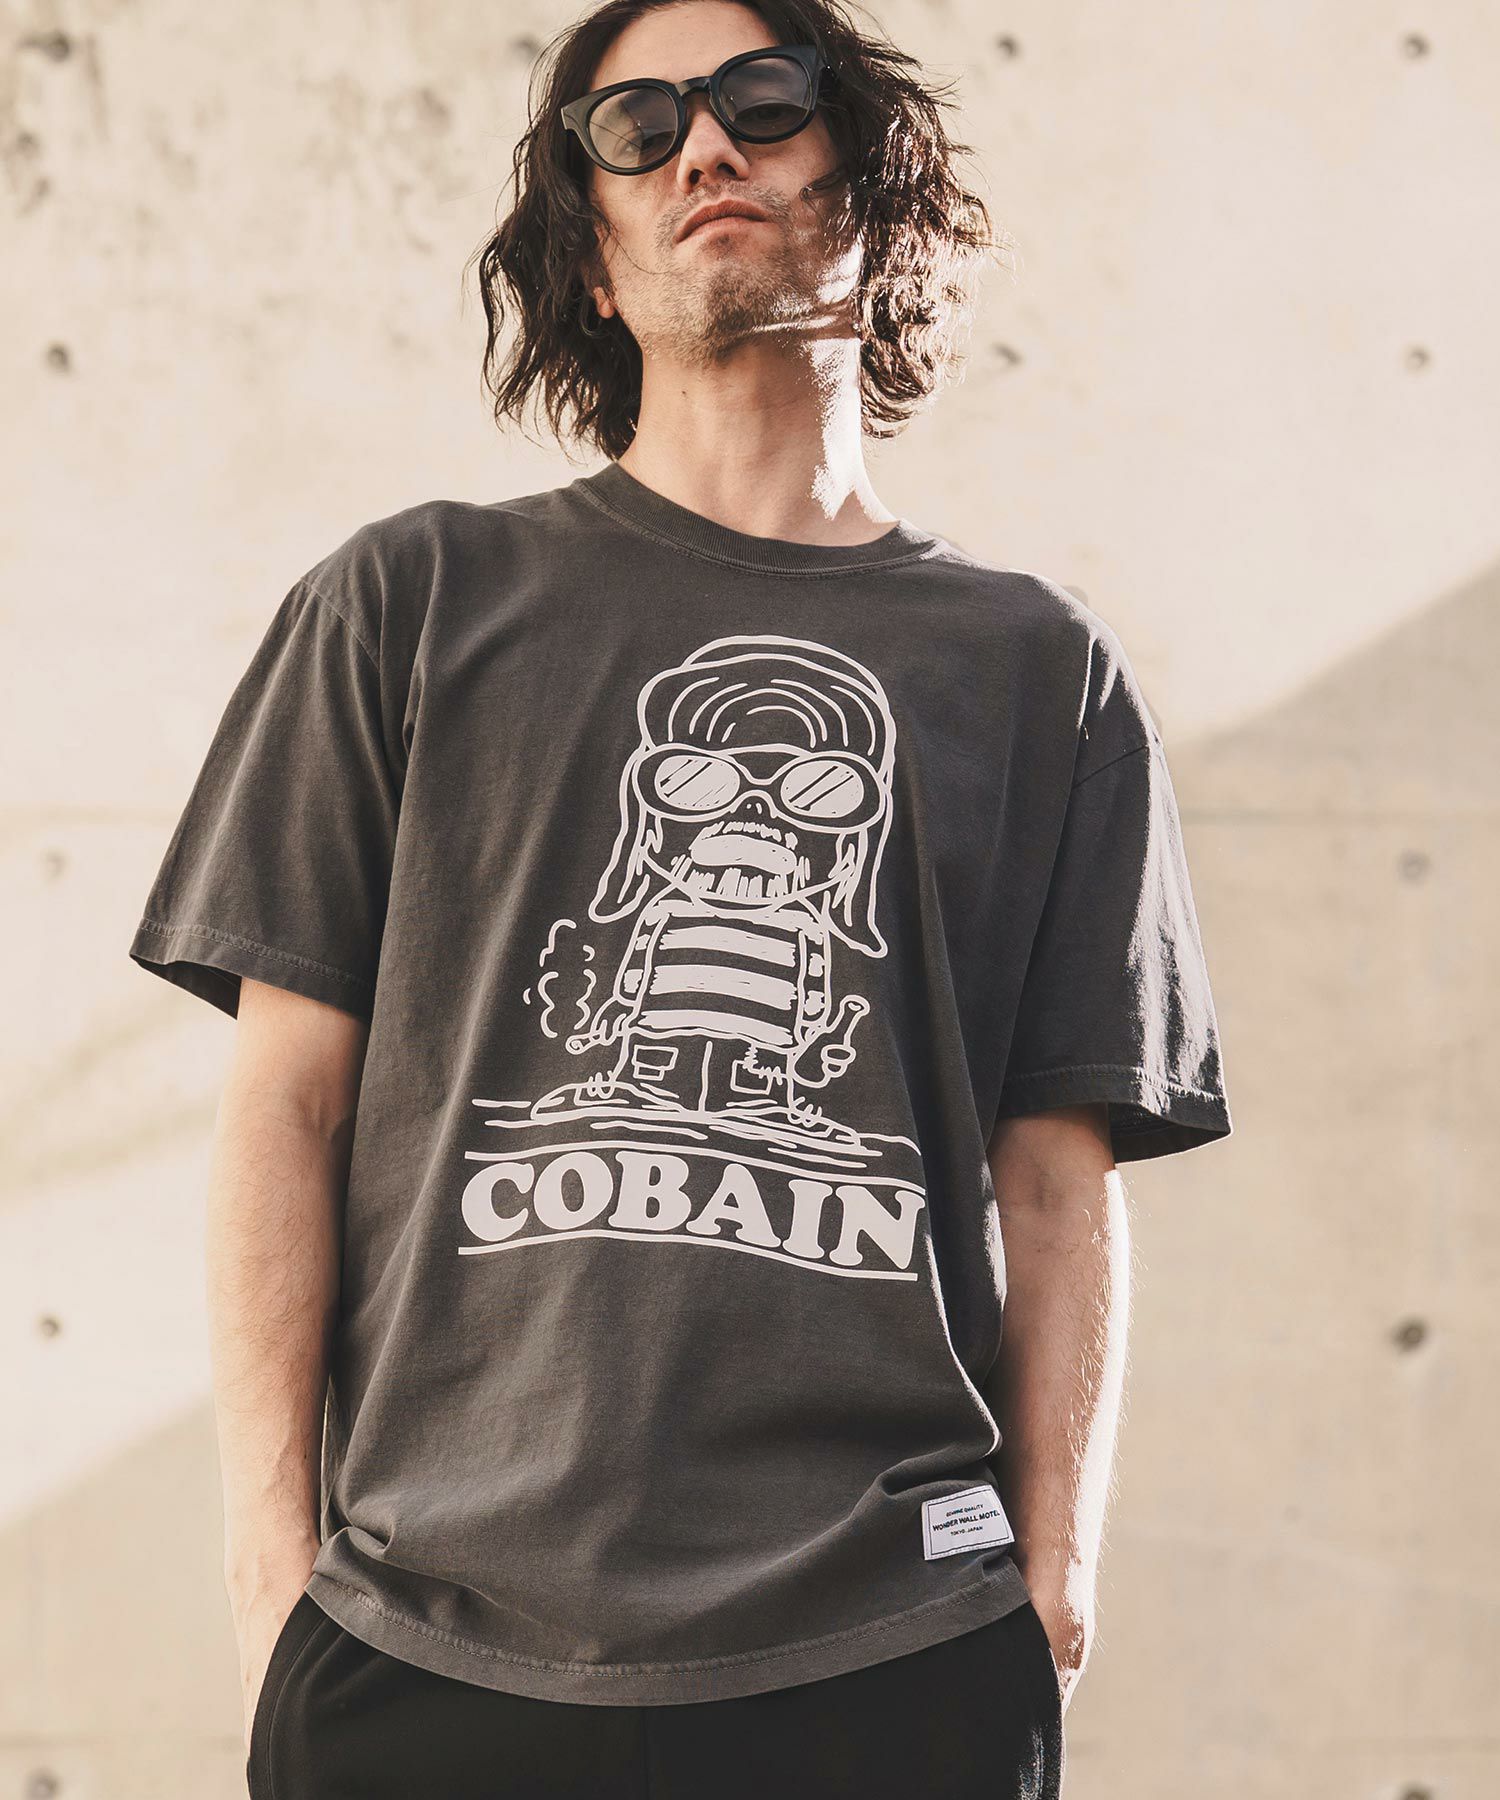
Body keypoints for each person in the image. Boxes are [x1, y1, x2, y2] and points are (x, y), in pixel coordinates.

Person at [128, 1, 1232, 1794]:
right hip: (429, 1642)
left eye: (763, 102)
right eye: (635, 127)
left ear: (877, 190)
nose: (704, 145)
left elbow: (1057, 1177)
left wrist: (1053, 1583)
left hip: (891, 1648)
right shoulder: (409, 604)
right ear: (591, 257)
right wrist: (275, 1586)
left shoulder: (1041, 671)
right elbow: (287, 1109)